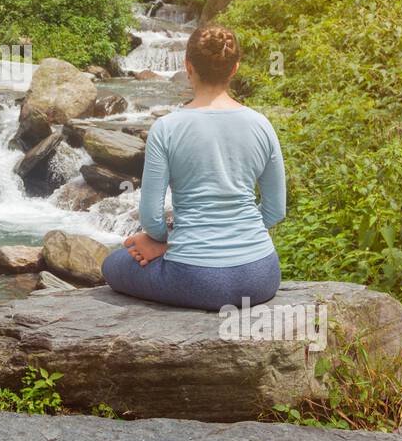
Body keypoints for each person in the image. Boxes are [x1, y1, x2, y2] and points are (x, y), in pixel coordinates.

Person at [102, 25, 286, 311]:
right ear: (235, 68)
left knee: (113, 264)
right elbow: (276, 211)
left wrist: (165, 242)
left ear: (188, 66)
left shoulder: (166, 128)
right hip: (261, 276)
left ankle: (169, 253)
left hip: (197, 279)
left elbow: (151, 220)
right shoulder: (262, 124)